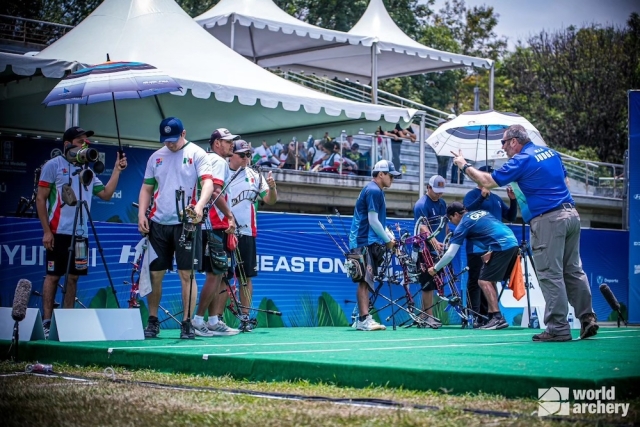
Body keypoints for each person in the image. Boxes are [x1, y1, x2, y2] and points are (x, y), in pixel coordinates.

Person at [451, 124, 598, 342]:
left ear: (513, 141)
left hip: (548, 219)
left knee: (550, 274)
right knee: (574, 270)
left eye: (503, 142)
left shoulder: (521, 159)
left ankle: (558, 328)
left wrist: (463, 165)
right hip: (570, 215)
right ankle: (587, 318)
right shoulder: (551, 153)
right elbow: (564, 182)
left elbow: (487, 181)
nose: (503, 148)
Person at [37, 126, 127, 339]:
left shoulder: (88, 171)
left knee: (74, 278)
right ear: (67, 144)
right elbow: (41, 199)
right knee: (53, 276)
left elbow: (105, 194)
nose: (85, 145)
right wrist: (46, 231)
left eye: (86, 142)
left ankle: (67, 322)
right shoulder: (53, 165)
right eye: (80, 141)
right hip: (58, 231)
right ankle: (47, 322)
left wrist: (116, 170)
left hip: (80, 232)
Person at [137, 117, 212, 339]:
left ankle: (187, 323)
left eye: (173, 140)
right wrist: (142, 213)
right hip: (158, 222)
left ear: (184, 134)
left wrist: (199, 206)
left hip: (187, 222)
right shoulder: (156, 157)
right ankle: (152, 321)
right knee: (154, 274)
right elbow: (146, 188)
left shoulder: (197, 153)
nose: (170, 144)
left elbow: (208, 183)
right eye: (166, 140)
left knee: (186, 274)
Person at [428, 202, 518, 330]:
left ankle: (497, 318)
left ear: (456, 215)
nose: (451, 222)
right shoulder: (482, 212)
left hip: (502, 246)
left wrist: (435, 268)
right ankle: (492, 316)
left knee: (483, 281)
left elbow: (450, 254)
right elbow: (490, 231)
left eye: (450, 219)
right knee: (488, 280)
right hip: (511, 242)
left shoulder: (463, 224)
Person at [194, 128, 241, 337]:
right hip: (213, 225)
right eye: (227, 141)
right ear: (216, 143)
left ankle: (213, 321)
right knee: (215, 275)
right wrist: (230, 215)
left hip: (210, 224)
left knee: (220, 274)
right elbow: (214, 192)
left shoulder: (210, 159)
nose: (232, 144)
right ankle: (197, 320)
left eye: (232, 141)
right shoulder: (219, 161)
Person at [227, 140, 278, 331]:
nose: (247, 158)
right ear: (232, 155)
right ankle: (215, 319)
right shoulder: (222, 170)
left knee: (245, 277)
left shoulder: (255, 175)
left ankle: (245, 318)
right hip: (222, 230)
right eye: (243, 155)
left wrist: (272, 187)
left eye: (249, 154)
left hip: (246, 232)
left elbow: (269, 200)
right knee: (220, 275)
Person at [348, 159, 400, 331]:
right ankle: (363, 319)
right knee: (364, 280)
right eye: (390, 175)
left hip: (366, 240)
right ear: (381, 174)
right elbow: (372, 221)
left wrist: (388, 236)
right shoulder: (374, 190)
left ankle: (360, 318)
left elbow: (378, 221)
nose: (392, 178)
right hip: (364, 241)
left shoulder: (375, 190)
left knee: (366, 281)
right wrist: (387, 240)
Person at [462, 165, 518, 326]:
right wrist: (481, 197)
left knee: (489, 280)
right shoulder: (471, 195)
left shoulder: (497, 198)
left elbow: (510, 216)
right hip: (477, 247)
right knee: (476, 280)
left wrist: (513, 200)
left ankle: (490, 316)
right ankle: (476, 316)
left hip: (496, 247)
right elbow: (465, 213)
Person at [413, 175, 448, 327]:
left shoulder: (442, 203)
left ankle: (422, 316)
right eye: (436, 191)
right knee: (428, 284)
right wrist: (435, 244)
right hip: (424, 251)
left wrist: (446, 243)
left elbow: (444, 225)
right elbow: (423, 228)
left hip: (438, 250)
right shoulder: (421, 205)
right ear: (428, 187)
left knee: (434, 284)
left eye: (441, 191)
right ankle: (429, 317)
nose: (439, 194)